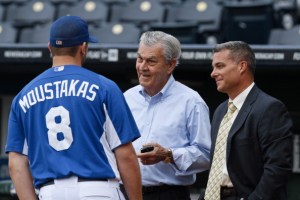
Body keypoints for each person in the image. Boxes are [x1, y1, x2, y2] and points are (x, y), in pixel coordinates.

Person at [5, 15, 142, 200]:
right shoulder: (104, 86)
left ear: (49, 47)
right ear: (83, 48)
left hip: (50, 192)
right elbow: (125, 155)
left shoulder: (22, 97)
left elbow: (16, 164)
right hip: (98, 190)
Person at [123, 31, 211, 200]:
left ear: (170, 65)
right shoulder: (126, 98)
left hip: (168, 194)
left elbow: (205, 155)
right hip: (125, 192)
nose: (142, 67)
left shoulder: (191, 101)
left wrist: (168, 155)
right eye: (140, 59)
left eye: (151, 61)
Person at [204, 41, 293, 200]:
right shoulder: (219, 111)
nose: (213, 73)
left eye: (220, 66)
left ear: (241, 66)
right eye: (213, 67)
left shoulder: (270, 108)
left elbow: (277, 169)